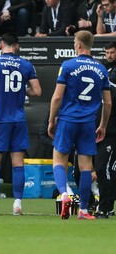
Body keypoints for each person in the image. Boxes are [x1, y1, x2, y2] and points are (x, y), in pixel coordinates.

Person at [48, 30, 111, 220]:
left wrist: (52, 120)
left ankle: (65, 195)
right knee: (85, 167)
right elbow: (107, 102)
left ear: (78, 44)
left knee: (59, 160)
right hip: (88, 122)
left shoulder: (68, 65)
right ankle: (83, 210)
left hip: (68, 119)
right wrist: (103, 125)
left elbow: (58, 96)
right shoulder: (101, 69)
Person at [0, 33, 42, 216]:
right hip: (19, 119)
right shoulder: (26, 65)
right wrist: (23, 89)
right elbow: (37, 91)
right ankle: (18, 204)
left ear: (0, 45)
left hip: (0, 119)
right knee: (18, 163)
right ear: (17, 46)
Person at [92, 42, 116, 218]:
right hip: (95, 129)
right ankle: (91, 205)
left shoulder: (110, 83)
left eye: (112, 52)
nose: (109, 55)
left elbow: (109, 101)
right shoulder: (104, 74)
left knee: (103, 168)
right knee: (83, 170)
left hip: (111, 131)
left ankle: (105, 207)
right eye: (106, 52)